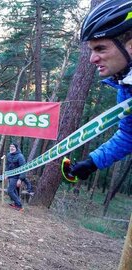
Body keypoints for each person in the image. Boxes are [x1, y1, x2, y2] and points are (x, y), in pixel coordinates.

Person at [70, 0, 132, 180]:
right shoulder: (126, 87)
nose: (92, 59)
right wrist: (93, 162)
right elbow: (129, 135)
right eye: (91, 50)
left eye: (100, 49)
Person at [6, 143, 33, 211]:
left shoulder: (20, 156)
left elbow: (23, 168)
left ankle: (19, 205)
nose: (11, 148)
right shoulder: (8, 155)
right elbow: (7, 166)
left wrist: (20, 179)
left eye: (13, 147)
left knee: (10, 191)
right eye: (10, 146)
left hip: (17, 177)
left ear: (16, 148)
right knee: (14, 191)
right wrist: (6, 174)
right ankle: (16, 204)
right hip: (10, 175)